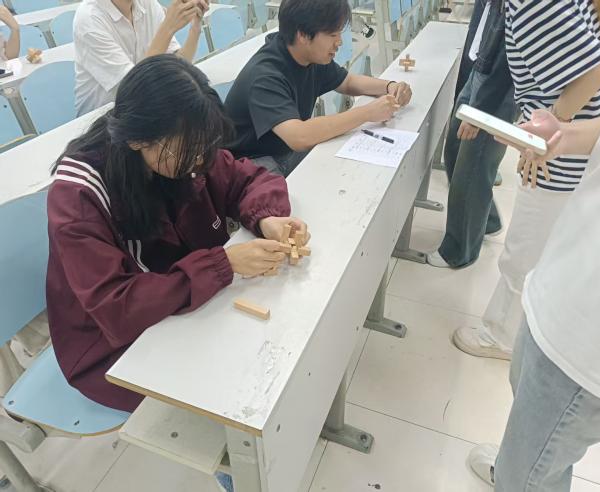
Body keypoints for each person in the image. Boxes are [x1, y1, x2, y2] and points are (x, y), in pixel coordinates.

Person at [47, 54, 308, 418]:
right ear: (138, 140)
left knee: (271, 351)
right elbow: (115, 306)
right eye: (190, 151)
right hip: (111, 345)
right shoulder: (78, 195)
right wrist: (223, 264)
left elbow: (247, 178)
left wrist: (267, 218)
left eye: (205, 147)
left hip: (183, 300)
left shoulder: (185, 149)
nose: (200, 162)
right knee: (235, 389)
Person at [467, 26, 600, 488]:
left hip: (598, 329)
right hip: (564, 279)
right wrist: (563, 133)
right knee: (533, 431)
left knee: (527, 473)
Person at [451, 0, 600, 361]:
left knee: (523, 252)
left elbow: (595, 71)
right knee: (542, 247)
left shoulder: (533, 3)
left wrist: (552, 128)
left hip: (558, 154)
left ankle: (500, 336)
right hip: (573, 144)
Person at [223, 0, 413, 176]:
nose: (339, 42)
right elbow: (299, 136)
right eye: (333, 35)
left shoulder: (308, 55)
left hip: (283, 150)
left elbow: (347, 82)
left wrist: (390, 86)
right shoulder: (265, 76)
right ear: (303, 35)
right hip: (248, 162)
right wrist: (368, 113)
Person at [424, 0, 517, 269]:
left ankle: (459, 250)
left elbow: (509, 57)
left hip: (497, 85)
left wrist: (481, 110)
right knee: (455, 150)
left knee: (473, 164)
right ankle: (487, 220)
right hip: (481, 68)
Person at [73, 0, 208, 116]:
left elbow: (178, 66)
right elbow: (133, 88)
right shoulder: (89, 18)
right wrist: (168, 27)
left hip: (145, 109)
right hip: (104, 121)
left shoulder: (148, 4)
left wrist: (195, 25)